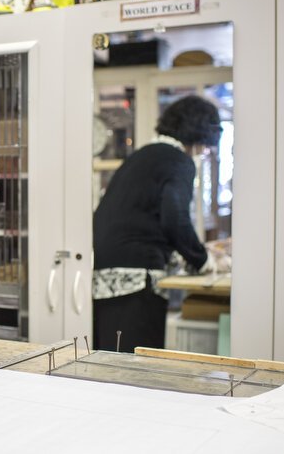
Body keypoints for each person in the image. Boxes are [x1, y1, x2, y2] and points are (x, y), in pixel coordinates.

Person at [92, 95, 223, 352]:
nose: (205, 151)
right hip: (138, 281)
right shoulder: (178, 160)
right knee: (139, 373)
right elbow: (175, 218)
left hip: (106, 278)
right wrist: (203, 260)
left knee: (110, 367)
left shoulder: (141, 156)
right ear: (200, 133)